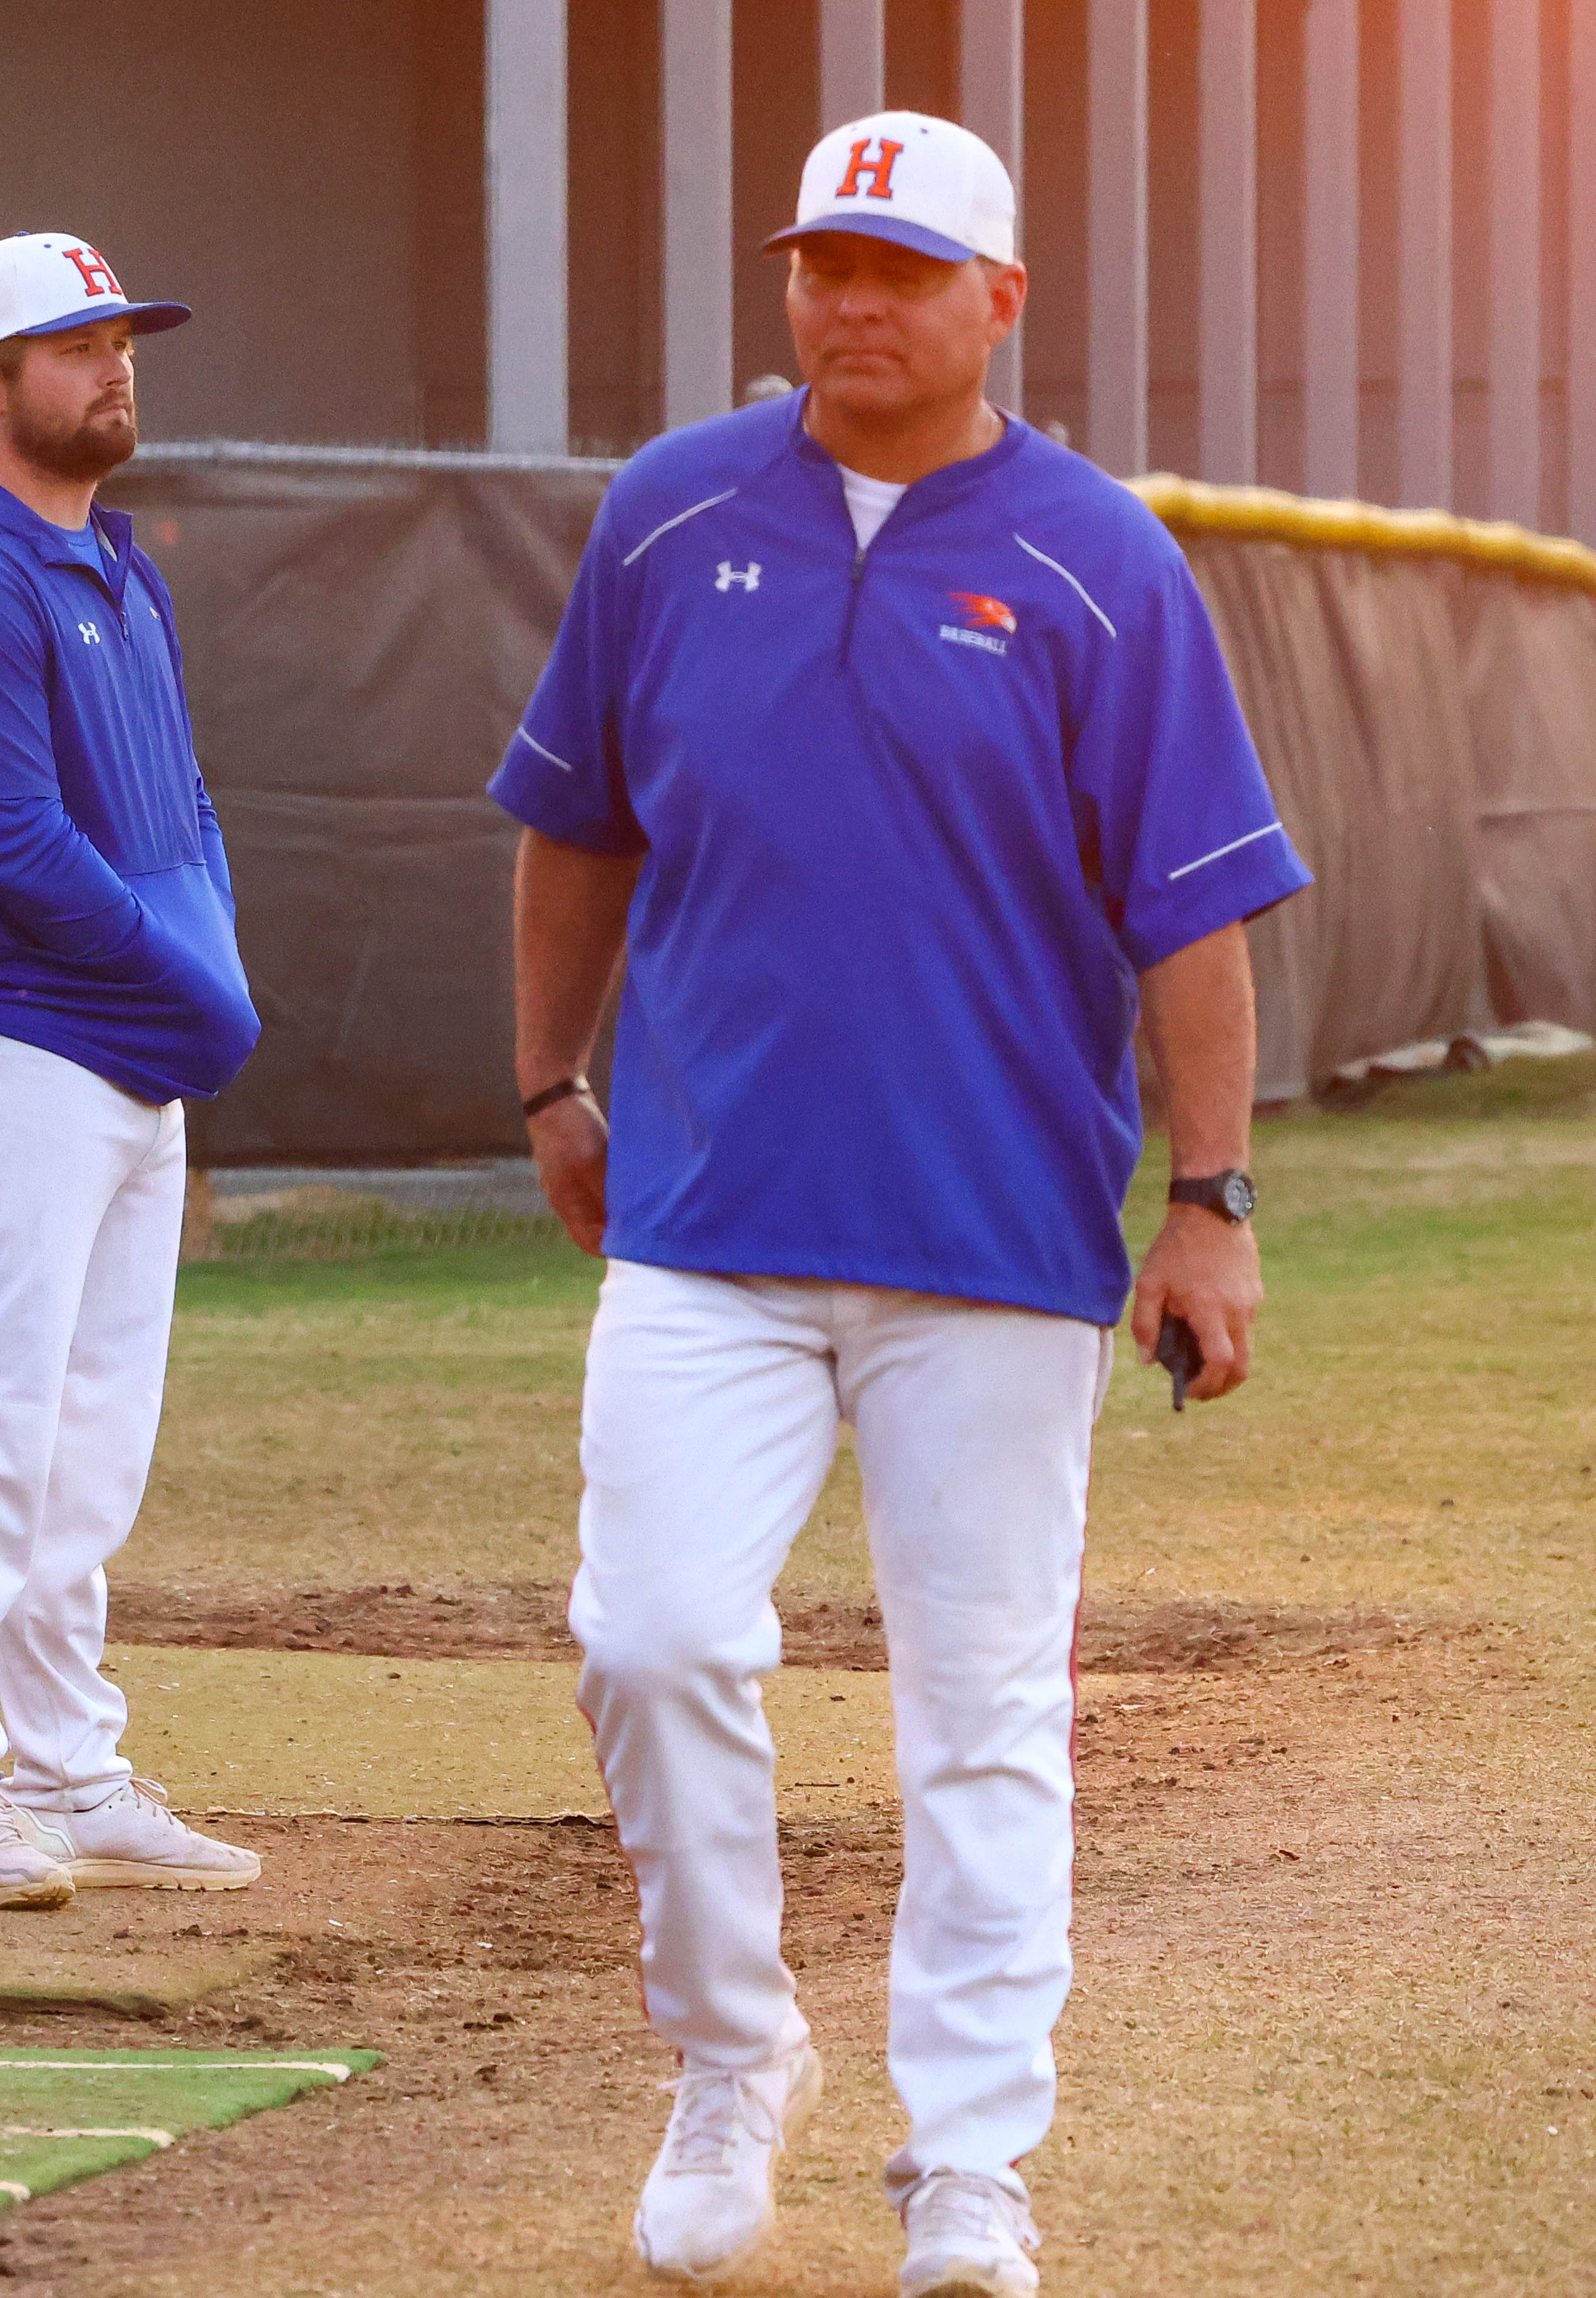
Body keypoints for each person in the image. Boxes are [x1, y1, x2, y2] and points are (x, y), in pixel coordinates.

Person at [491, 112, 1306, 2298]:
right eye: (816, 263)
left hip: (991, 1243)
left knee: (977, 1722)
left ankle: (965, 2163)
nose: (845, 302)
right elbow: (572, 828)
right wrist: (546, 1080)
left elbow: (1192, 921)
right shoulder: (667, 519)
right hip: (704, 1222)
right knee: (648, 1640)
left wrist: (1205, 1203)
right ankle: (729, 2056)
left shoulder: (1093, 561)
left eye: (894, 269)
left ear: (996, 304)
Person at [0, 230, 264, 1915]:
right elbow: (7, 842)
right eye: (72, 341)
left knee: (91, 1433)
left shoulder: (114, 561)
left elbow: (181, 803)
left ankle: (66, 1764)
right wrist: (176, 983)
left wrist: (201, 962)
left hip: (113, 1039)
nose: (112, 364)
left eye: (120, 336)